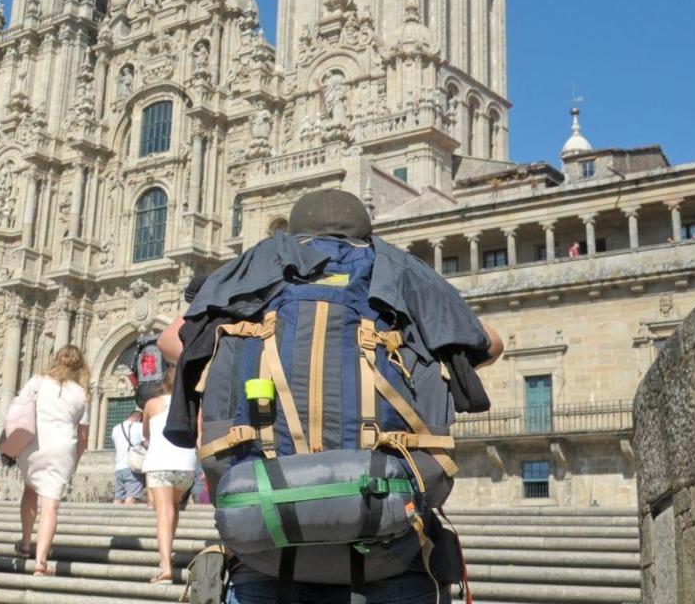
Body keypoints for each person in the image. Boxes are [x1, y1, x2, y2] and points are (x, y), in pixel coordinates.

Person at [168, 190, 504, 604]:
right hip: (392, 558)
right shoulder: (401, 273)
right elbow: (490, 343)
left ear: (294, 232)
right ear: (364, 232)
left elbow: (170, 341)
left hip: (264, 559)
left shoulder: (253, 272)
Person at [10, 345, 90, 576]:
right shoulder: (82, 394)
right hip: (62, 449)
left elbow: (16, 407)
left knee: (30, 490)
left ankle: (26, 543)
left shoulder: (37, 381)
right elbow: (84, 436)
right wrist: (75, 460)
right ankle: (40, 562)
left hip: (32, 444)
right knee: (50, 506)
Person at [142, 385, 198, 585]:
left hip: (160, 463)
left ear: (163, 385)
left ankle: (165, 567)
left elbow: (146, 433)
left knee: (164, 512)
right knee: (173, 507)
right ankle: (167, 554)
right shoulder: (191, 404)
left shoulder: (152, 403)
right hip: (186, 465)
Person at [110, 410, 147, 505]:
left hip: (118, 468)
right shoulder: (139, 427)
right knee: (131, 498)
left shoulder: (116, 428)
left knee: (118, 498)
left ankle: (112, 514)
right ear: (140, 418)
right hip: (132, 466)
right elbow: (147, 443)